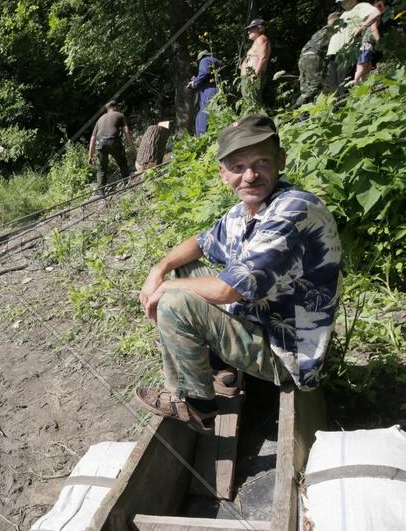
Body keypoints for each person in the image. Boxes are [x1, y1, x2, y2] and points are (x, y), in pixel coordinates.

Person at [135, 115, 342, 433]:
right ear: (223, 173)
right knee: (181, 268)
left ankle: (196, 404)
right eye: (237, 166)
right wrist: (158, 269)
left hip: (287, 353)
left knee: (176, 301)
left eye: (261, 162)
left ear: (281, 160)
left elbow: (226, 292)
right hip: (262, 319)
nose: (250, 175)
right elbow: (200, 244)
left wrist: (166, 290)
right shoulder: (247, 210)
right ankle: (224, 371)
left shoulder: (293, 210)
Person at [327, 0, 381, 91]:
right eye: (341, 1)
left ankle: (347, 105)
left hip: (346, 52)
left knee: (343, 86)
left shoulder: (360, 6)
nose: (342, 3)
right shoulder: (344, 13)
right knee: (334, 88)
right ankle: (338, 107)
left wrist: (362, 26)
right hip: (334, 53)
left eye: (345, 0)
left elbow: (376, 13)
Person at [88, 102, 137, 192]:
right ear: (114, 107)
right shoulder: (120, 115)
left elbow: (92, 138)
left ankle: (100, 193)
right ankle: (127, 185)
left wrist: (90, 155)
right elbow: (126, 132)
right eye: (118, 106)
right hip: (113, 141)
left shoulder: (100, 119)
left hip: (100, 144)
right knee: (122, 163)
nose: (119, 108)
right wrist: (133, 148)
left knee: (102, 169)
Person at [295, 12, 341, 107]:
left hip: (303, 58)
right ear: (337, 20)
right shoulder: (334, 29)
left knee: (307, 86)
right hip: (314, 58)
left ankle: (305, 111)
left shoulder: (320, 31)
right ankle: (296, 108)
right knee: (315, 86)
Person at [240, 19, 271, 111]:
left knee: (254, 103)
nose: (248, 31)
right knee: (250, 103)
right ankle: (255, 122)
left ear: (260, 29)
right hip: (249, 77)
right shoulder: (257, 41)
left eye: (251, 28)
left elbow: (263, 58)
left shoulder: (262, 39)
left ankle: (259, 122)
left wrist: (255, 75)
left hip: (253, 76)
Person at [188, 51, 221, 136]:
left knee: (203, 116)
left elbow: (204, 72)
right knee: (213, 115)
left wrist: (194, 82)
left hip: (209, 90)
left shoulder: (205, 60)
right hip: (216, 89)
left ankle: (203, 138)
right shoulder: (216, 61)